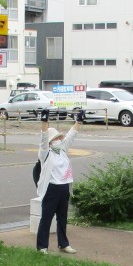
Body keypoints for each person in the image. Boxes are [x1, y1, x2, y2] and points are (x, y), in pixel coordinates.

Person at [36, 108, 82, 254]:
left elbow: (71, 136)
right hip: (51, 188)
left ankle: (63, 244)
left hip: (64, 187)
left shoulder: (62, 150)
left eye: (59, 138)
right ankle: (42, 246)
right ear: (50, 142)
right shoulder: (45, 153)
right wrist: (44, 121)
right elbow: (43, 139)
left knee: (62, 217)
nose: (59, 140)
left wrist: (78, 121)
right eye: (56, 138)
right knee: (47, 218)